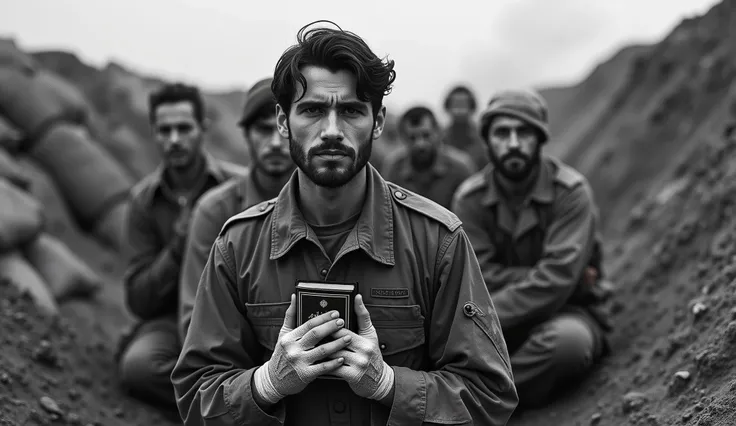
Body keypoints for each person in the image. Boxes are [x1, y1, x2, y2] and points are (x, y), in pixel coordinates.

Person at [172, 22, 517, 425]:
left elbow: (490, 396)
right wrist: (267, 383)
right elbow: (195, 396)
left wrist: (389, 385)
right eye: (313, 110)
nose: (332, 131)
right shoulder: (237, 245)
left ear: (378, 121)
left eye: (351, 110)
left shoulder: (438, 241)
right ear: (284, 121)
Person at [452, 89, 612, 408]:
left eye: (523, 132)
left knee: (568, 346)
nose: (513, 143)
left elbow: (555, 281)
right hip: (501, 318)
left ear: (540, 138)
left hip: (567, 311)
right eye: (502, 133)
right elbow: (478, 276)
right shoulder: (468, 200)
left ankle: (479, 402)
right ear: (487, 140)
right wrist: (551, 277)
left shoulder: (570, 192)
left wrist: (482, 317)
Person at [117, 83, 246, 411]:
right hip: (173, 320)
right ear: (153, 133)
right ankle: (219, 410)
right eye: (165, 130)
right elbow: (139, 300)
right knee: (139, 367)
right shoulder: (143, 202)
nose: (174, 139)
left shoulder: (238, 188)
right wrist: (177, 246)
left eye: (184, 128)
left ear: (203, 128)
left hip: (235, 317)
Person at [178, 77, 295, 341]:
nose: (275, 143)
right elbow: (194, 320)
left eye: (284, 130)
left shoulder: (326, 206)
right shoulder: (215, 211)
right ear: (246, 135)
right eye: (264, 130)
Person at [382, 106, 475, 210]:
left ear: (438, 133)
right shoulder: (393, 168)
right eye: (412, 138)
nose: (420, 144)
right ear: (403, 138)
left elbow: (470, 213)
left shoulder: (460, 167)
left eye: (426, 135)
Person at [443, 85, 490, 171]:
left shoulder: (483, 137)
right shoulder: (440, 138)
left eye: (463, 105)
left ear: (472, 108)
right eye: (455, 105)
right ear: (447, 108)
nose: (459, 110)